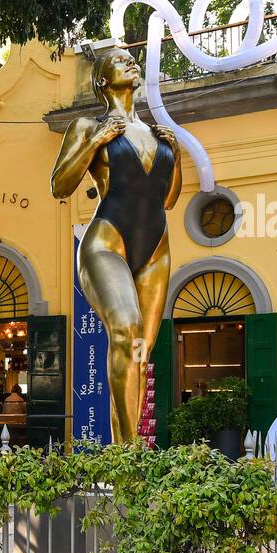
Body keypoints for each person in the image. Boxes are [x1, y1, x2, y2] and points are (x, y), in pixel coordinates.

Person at [50, 46, 181, 443]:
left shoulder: (156, 134)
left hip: (156, 248)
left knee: (140, 352)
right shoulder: (89, 126)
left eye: (131, 59)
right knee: (126, 329)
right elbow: (59, 184)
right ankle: (129, 463)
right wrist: (95, 142)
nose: (130, 61)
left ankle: (130, 448)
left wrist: (176, 154)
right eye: (119, 60)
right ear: (102, 81)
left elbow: (169, 199)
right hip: (107, 243)